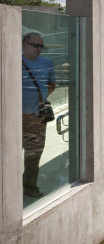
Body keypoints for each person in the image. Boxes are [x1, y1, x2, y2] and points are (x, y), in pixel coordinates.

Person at [22, 32, 56, 199]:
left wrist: (39, 98)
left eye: (41, 46)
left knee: (33, 155)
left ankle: (29, 186)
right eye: (36, 45)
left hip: (36, 117)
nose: (39, 49)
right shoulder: (12, 61)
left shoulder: (47, 63)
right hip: (14, 116)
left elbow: (51, 84)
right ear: (25, 44)